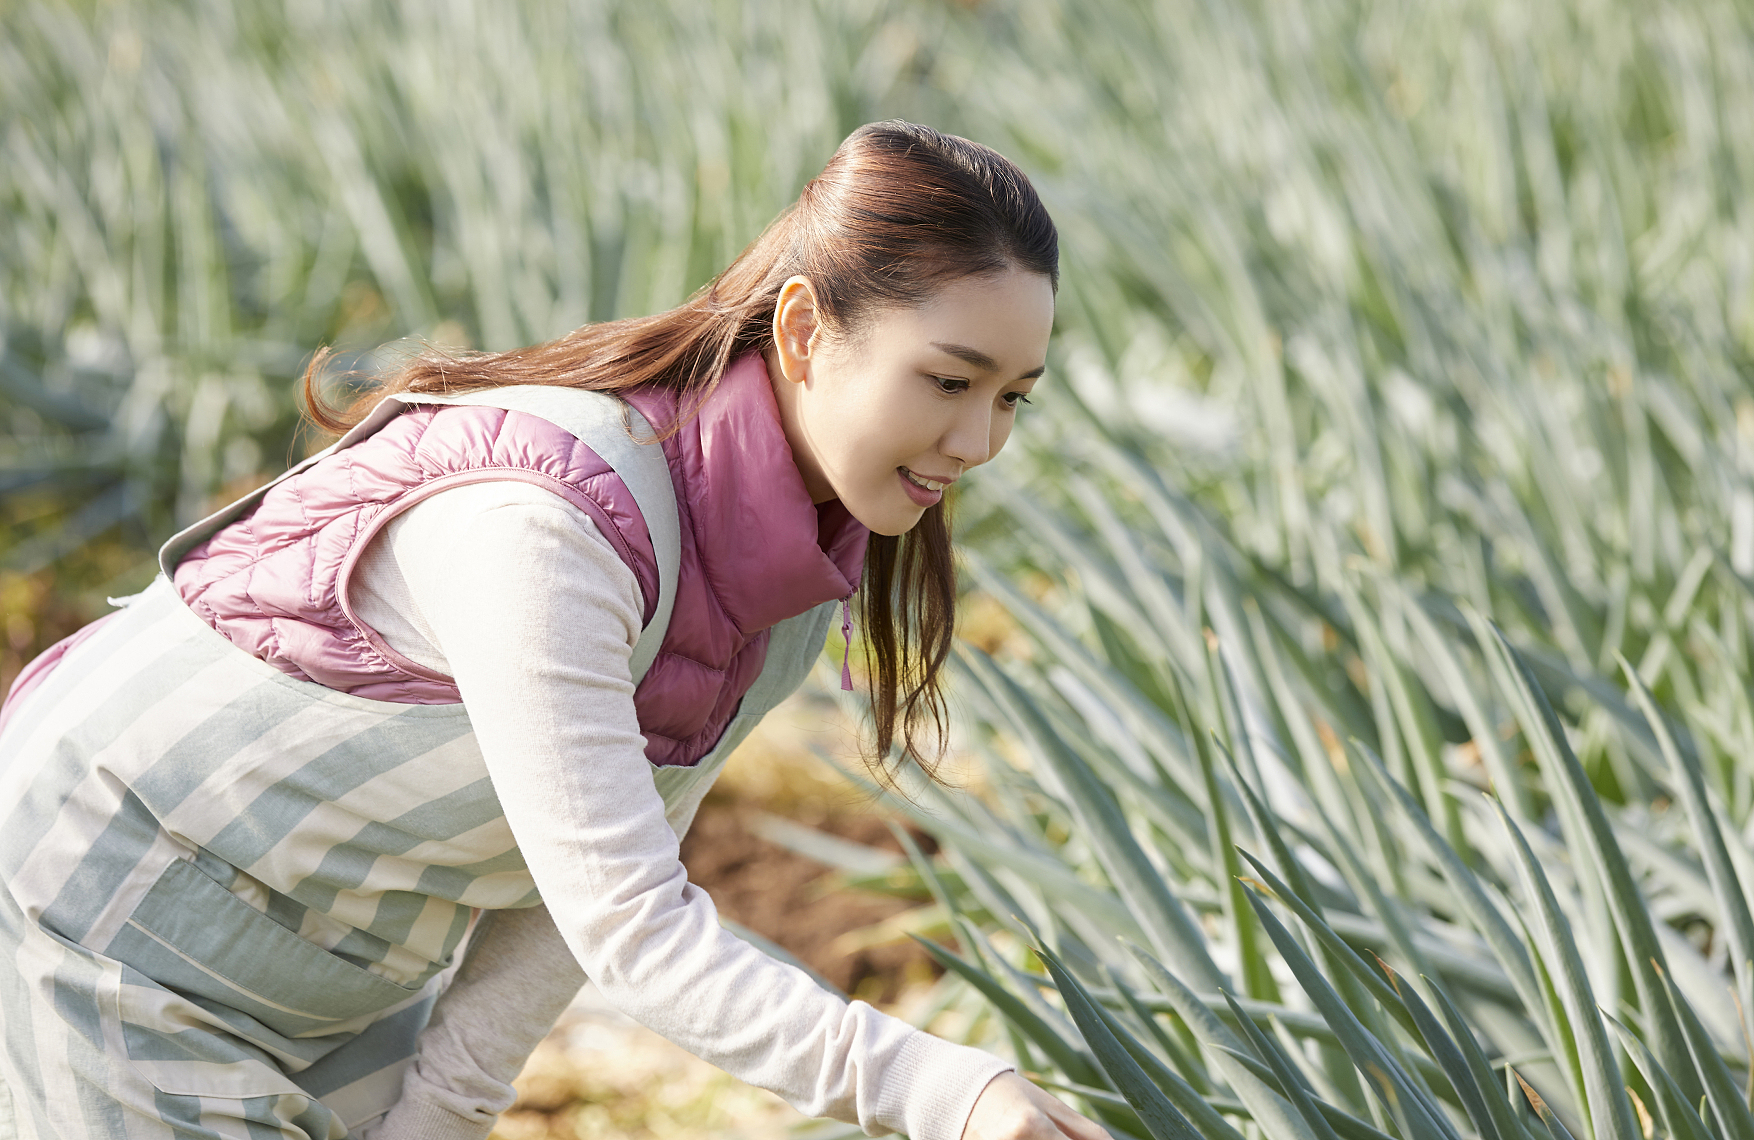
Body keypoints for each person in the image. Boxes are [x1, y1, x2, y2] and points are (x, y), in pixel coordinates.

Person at [0, 122, 1110, 1140]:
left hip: (320, 973)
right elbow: (634, 935)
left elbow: (567, 899)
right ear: (806, 331)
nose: (976, 439)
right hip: (101, 920)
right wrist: (941, 1090)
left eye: (1013, 396)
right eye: (949, 380)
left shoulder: (790, 579)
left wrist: (440, 1120)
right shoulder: (549, 537)